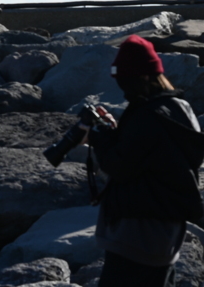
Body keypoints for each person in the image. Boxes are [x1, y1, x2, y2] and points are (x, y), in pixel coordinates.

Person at [87, 34, 204, 287]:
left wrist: (100, 138)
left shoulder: (146, 116)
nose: (123, 88)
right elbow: (154, 154)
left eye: (124, 80)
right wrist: (119, 130)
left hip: (135, 236)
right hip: (167, 235)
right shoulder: (180, 109)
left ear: (140, 78)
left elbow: (118, 166)